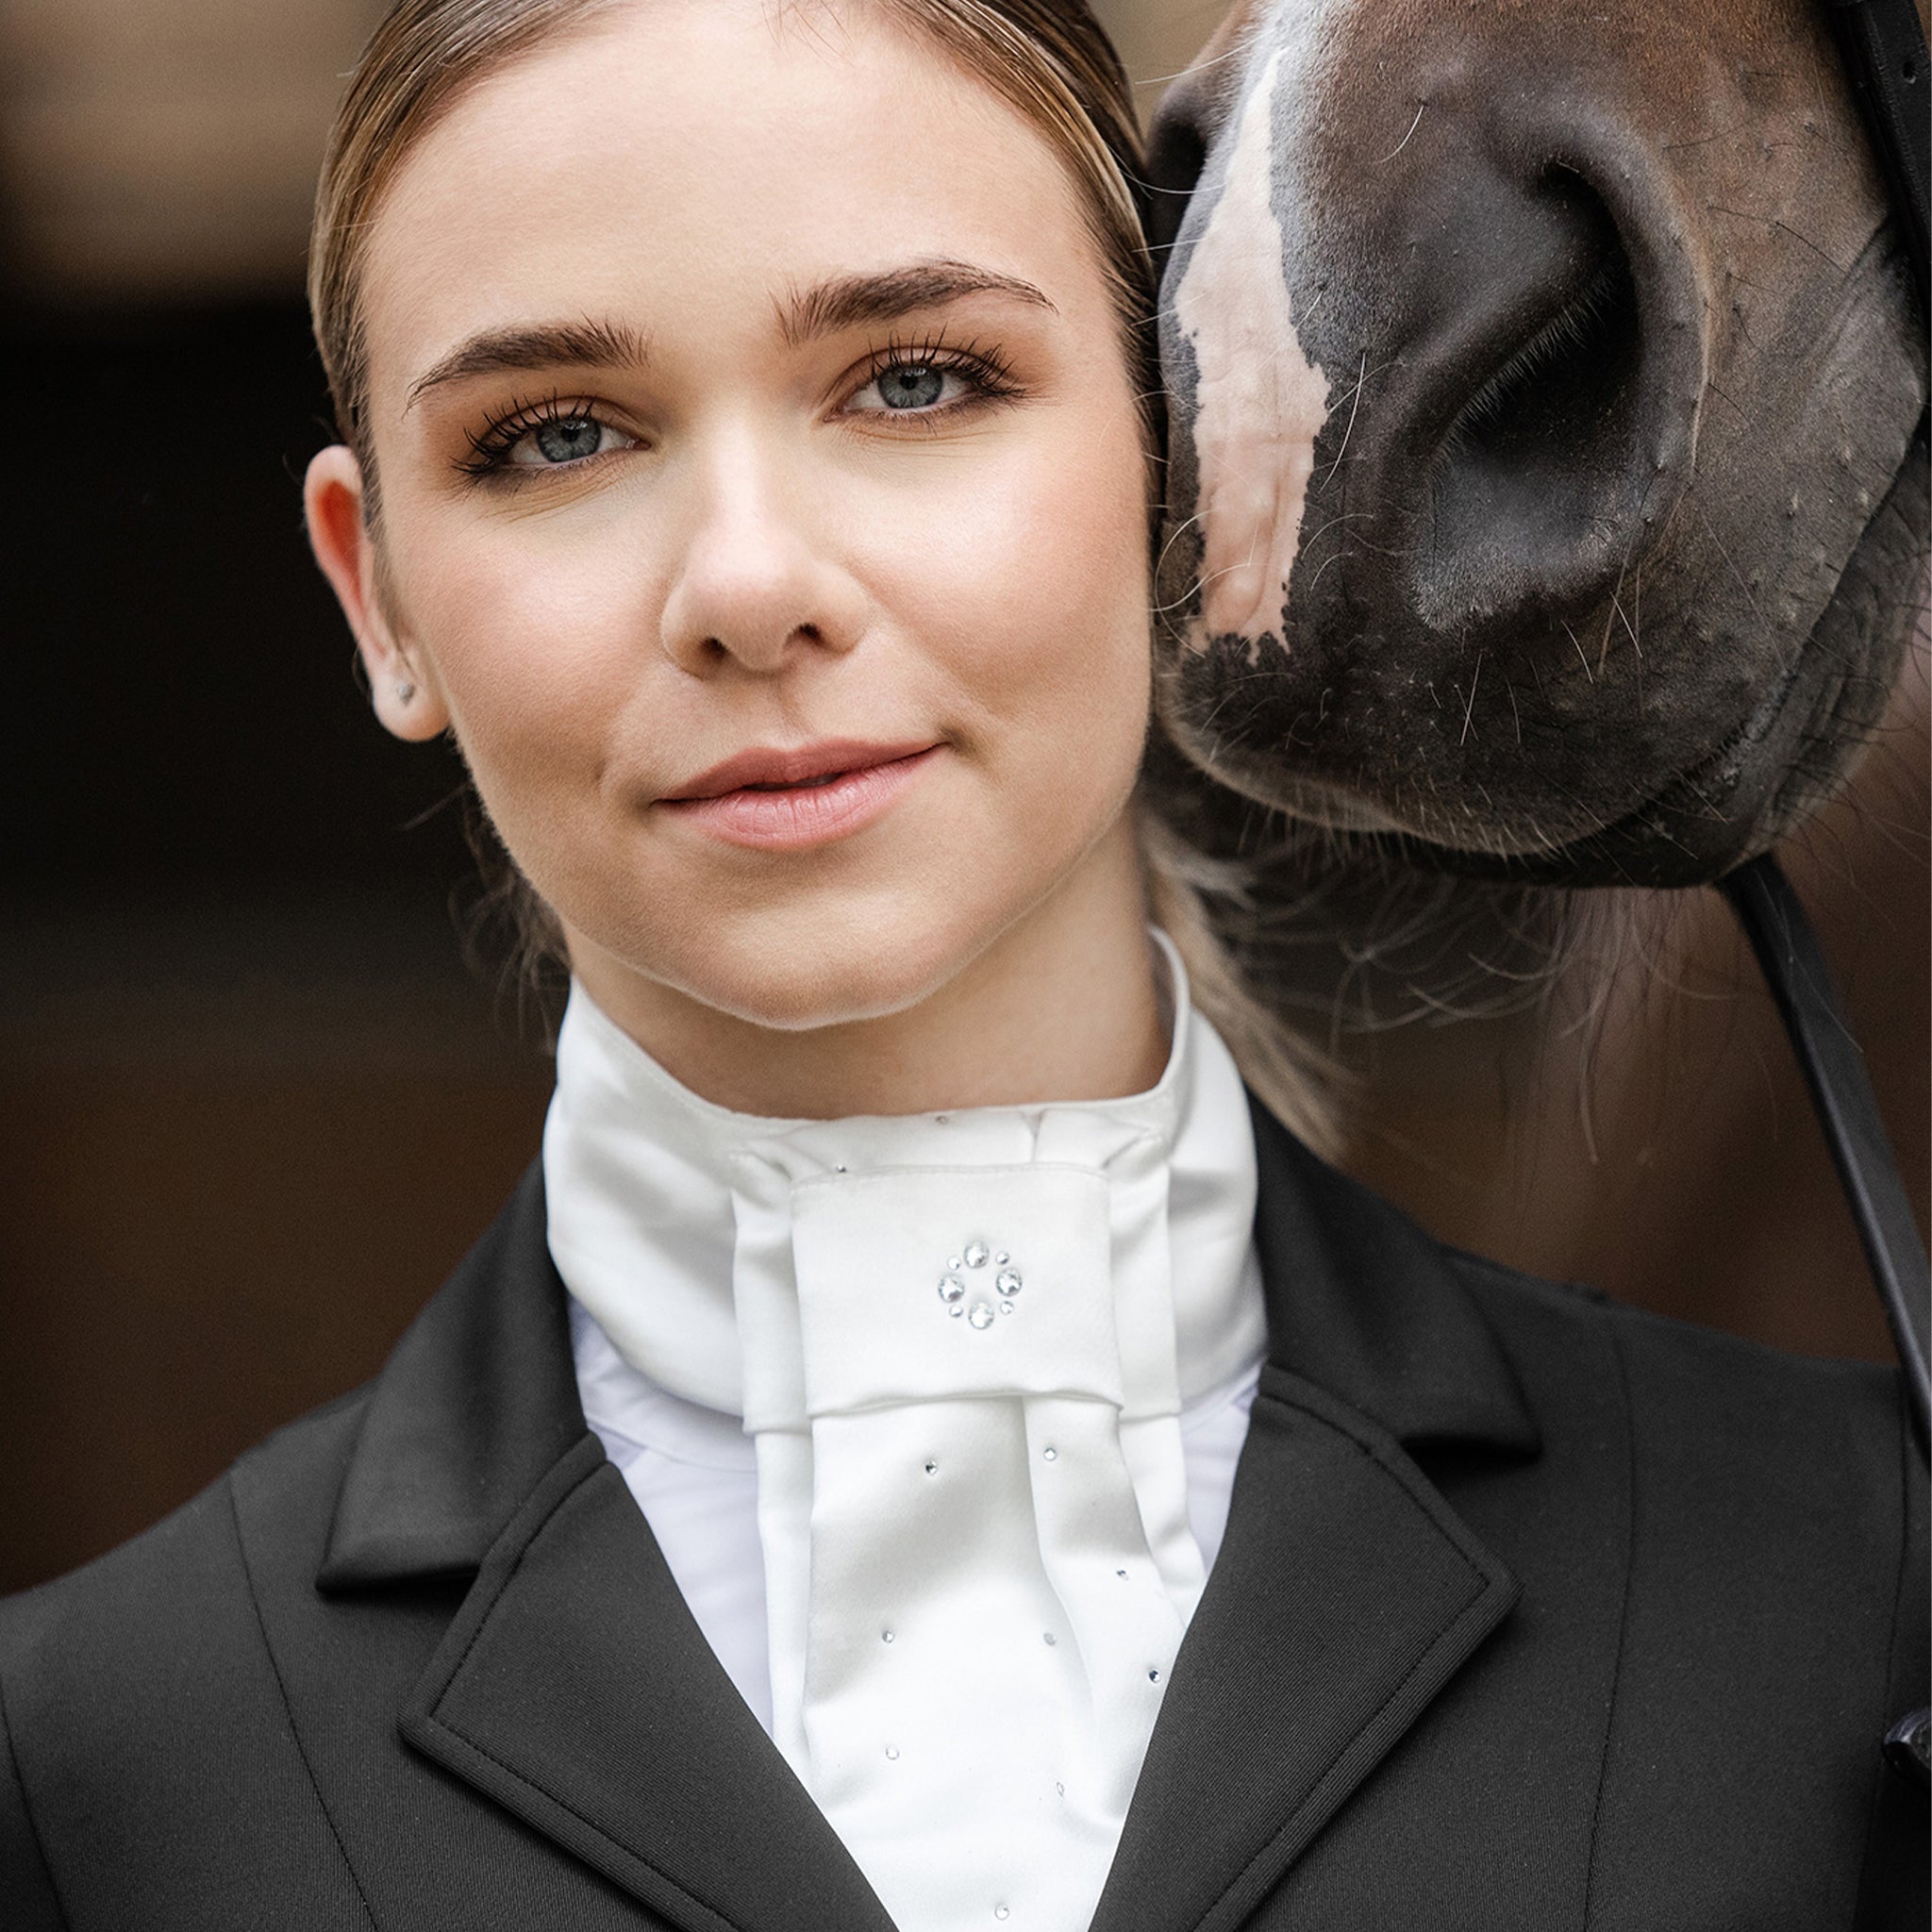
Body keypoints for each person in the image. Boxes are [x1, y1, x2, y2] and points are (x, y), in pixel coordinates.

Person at [0, 0, 1923, 1925]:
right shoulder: (92, 1762)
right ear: (379, 595)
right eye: (553, 436)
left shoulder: (1847, 1570)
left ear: (1172, 440)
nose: (752, 586)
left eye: (916, 380)